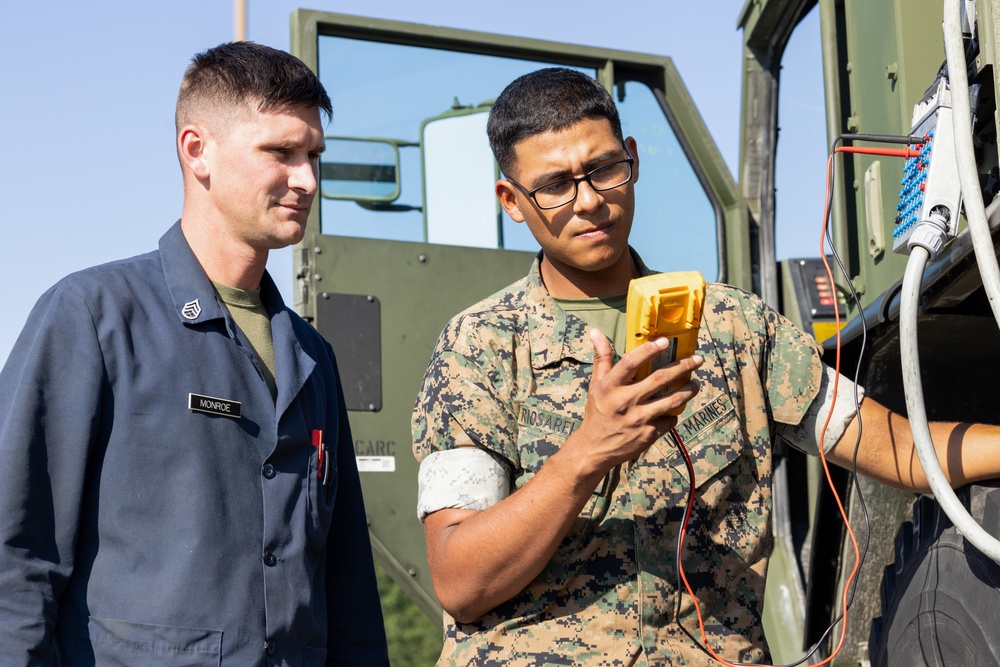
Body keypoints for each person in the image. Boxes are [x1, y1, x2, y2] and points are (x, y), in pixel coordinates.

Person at [411, 67, 1000, 666]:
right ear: (511, 200)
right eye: (555, 185)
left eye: (604, 169)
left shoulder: (735, 327)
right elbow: (461, 581)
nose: (589, 201)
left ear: (632, 159)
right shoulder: (478, 347)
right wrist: (587, 452)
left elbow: (899, 448)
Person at [0, 42, 388, 666]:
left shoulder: (313, 356)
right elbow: (15, 556)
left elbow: (349, 595)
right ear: (196, 149)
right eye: (280, 152)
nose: (307, 179)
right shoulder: (93, 316)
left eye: (314, 154)